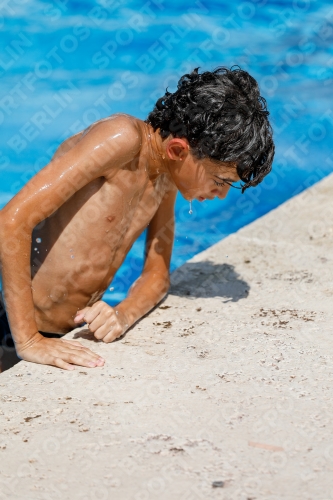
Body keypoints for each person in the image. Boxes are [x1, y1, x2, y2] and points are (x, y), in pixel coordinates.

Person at [0, 66, 275, 372]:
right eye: (219, 180)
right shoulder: (121, 139)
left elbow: (157, 276)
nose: (220, 194)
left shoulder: (167, 176)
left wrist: (121, 315)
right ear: (178, 150)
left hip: (59, 330)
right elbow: (11, 221)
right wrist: (28, 340)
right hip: (11, 320)